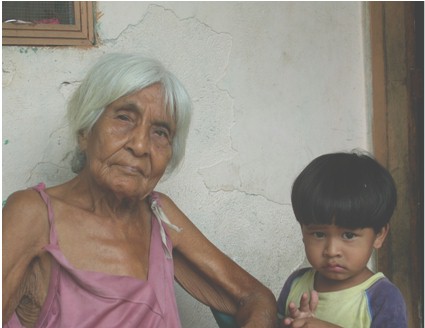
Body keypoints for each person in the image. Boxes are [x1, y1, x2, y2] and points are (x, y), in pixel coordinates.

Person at [2, 53, 278, 328]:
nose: (141, 145)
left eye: (160, 132)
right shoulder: (33, 213)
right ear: (85, 131)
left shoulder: (161, 217)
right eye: (124, 118)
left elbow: (256, 297)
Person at [277, 151, 407, 328]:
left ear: (379, 235)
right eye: (319, 234)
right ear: (303, 231)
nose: (331, 251)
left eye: (348, 235)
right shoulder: (296, 284)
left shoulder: (382, 297)